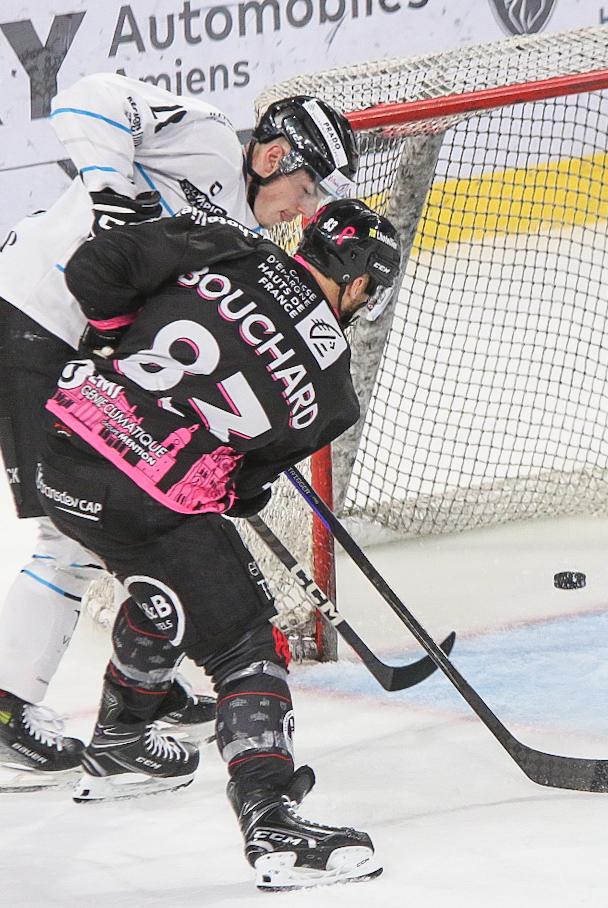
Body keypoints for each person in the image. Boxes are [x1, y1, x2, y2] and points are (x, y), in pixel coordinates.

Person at [0, 72, 357, 789]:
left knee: (122, 522)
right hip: (34, 316)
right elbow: (87, 97)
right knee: (72, 537)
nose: (304, 209)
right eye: (306, 188)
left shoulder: (244, 234)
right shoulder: (205, 136)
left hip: (80, 346)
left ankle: (147, 688)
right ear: (273, 156)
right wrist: (108, 193)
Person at [39, 198, 398, 889]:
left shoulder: (232, 244)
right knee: (244, 645)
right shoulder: (334, 396)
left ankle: (121, 742)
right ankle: (272, 822)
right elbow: (241, 491)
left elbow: (94, 268)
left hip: (63, 456)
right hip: (147, 500)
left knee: (172, 582)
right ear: (357, 283)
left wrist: (115, 342)